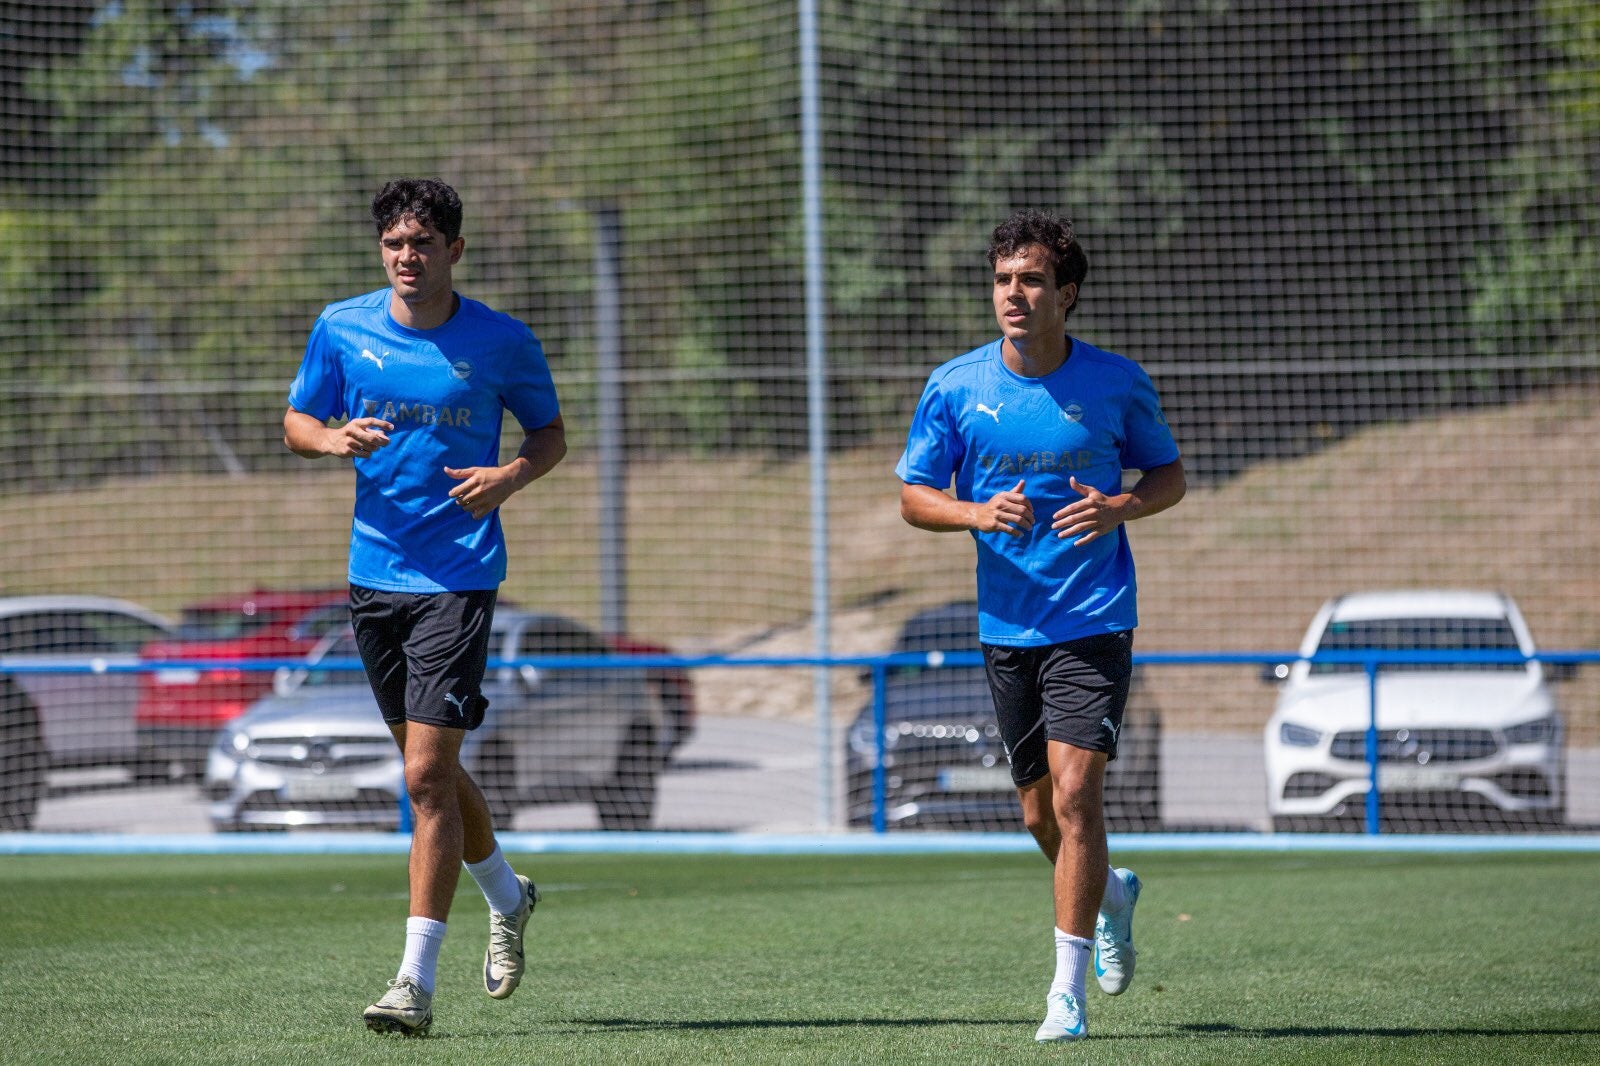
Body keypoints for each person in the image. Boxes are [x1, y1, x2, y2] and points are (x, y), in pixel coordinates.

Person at [283, 178, 567, 1038]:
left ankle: (413, 982)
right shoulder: (342, 328)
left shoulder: (502, 341)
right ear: (383, 251)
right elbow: (297, 418)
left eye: (424, 242)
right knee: (429, 767)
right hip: (374, 579)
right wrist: (332, 438)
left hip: (459, 577)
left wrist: (508, 476)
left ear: (455, 250)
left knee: (421, 778)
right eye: (395, 243)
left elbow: (549, 436)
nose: (408, 257)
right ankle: (509, 896)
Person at [895, 209, 1185, 1044]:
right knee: (1035, 817)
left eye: (1030, 280)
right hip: (1006, 624)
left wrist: (1121, 505)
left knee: (1075, 793)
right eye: (1002, 280)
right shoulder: (955, 386)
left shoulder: (1116, 383)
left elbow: (1168, 474)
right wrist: (975, 513)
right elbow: (915, 498)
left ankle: (1066, 994)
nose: (1013, 295)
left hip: (1094, 617)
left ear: (1068, 294)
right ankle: (1113, 894)